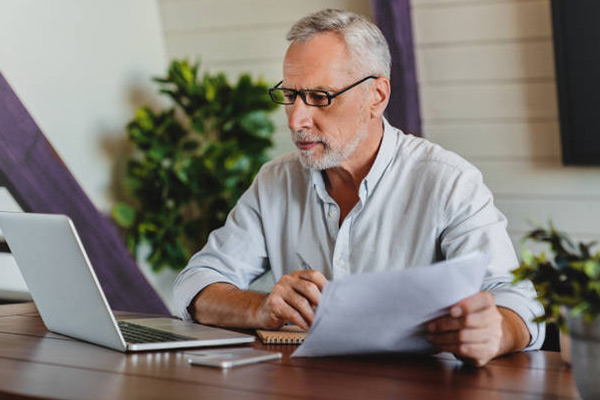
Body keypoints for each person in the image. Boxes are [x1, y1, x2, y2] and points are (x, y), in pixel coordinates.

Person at [173, 8, 544, 366]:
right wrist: (262, 306)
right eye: (289, 95)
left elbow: (518, 302)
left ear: (377, 97)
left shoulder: (448, 181)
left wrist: (496, 332)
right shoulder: (275, 181)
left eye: (320, 97)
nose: (297, 119)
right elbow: (195, 284)